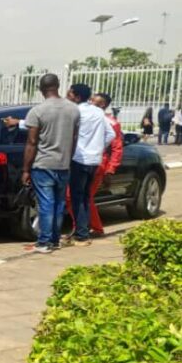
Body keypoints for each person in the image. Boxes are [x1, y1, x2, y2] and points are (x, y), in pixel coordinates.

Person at [16, 74, 80, 254]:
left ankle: (43, 242)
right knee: (59, 204)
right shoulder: (73, 109)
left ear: (41, 89)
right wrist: (68, 157)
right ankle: (54, 239)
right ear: (58, 86)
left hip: (43, 164)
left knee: (46, 204)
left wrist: (26, 170)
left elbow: (32, 142)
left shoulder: (38, 111)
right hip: (63, 164)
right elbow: (74, 138)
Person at [65, 84, 114, 247]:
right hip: (94, 160)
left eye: (70, 94)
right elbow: (111, 134)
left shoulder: (75, 112)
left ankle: (82, 235)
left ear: (77, 97)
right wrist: (98, 147)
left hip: (79, 159)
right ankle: (83, 231)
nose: (67, 96)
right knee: (85, 197)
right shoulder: (98, 112)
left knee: (77, 198)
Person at [82, 92, 124, 236]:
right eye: (90, 100)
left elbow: (116, 148)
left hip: (99, 163)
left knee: (85, 196)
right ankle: (82, 227)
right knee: (73, 196)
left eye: (94, 101)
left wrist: (110, 170)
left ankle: (95, 228)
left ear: (103, 105)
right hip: (81, 160)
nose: (90, 103)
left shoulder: (111, 123)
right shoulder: (85, 116)